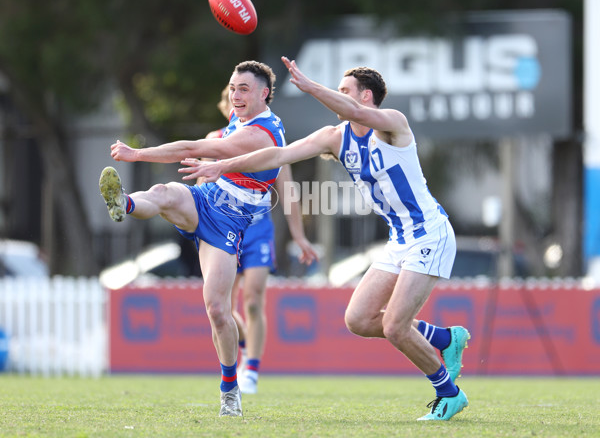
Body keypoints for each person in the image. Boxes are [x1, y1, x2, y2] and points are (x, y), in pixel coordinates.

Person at [179, 56, 471, 421]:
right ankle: (444, 339)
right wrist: (224, 164)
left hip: (430, 233)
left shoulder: (393, 125)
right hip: (399, 240)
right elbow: (280, 154)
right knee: (359, 319)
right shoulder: (335, 137)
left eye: (345, 91)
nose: (339, 97)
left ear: (366, 97)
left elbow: (355, 112)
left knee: (395, 325)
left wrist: (311, 86)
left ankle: (449, 393)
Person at [98, 60, 286, 418]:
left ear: (264, 94)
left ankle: (230, 389)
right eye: (232, 87)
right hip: (205, 200)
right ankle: (125, 202)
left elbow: (193, 146)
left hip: (228, 226)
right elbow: (197, 152)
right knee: (165, 192)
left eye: (244, 89)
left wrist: (138, 154)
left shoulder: (261, 132)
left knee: (218, 310)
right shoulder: (240, 119)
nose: (235, 95)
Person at [206, 87, 319, 394]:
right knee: (222, 308)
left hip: (257, 229)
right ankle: (240, 348)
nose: (236, 103)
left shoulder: (269, 138)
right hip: (223, 227)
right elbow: (202, 184)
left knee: (253, 299)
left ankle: (252, 369)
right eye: (230, 99)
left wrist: (299, 236)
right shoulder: (214, 140)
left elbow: (288, 189)